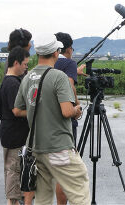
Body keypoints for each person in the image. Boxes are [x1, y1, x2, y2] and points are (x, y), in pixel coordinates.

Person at [13, 34, 91, 205]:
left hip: (37, 148)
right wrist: (77, 110)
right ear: (56, 52)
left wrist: (39, 111)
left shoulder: (28, 77)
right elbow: (66, 111)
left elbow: (17, 109)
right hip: (59, 146)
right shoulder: (58, 77)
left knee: (43, 197)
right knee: (80, 191)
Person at [54, 32, 86, 205]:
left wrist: (76, 72)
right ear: (68, 48)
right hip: (65, 120)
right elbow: (69, 85)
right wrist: (77, 106)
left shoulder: (51, 62)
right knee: (66, 169)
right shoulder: (69, 63)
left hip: (49, 120)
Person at [0, 46, 30, 205]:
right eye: (25, 64)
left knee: (13, 171)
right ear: (17, 63)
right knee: (13, 171)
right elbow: (17, 111)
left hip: (12, 134)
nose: (26, 67)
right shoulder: (12, 83)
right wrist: (34, 112)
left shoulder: (9, 80)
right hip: (14, 137)